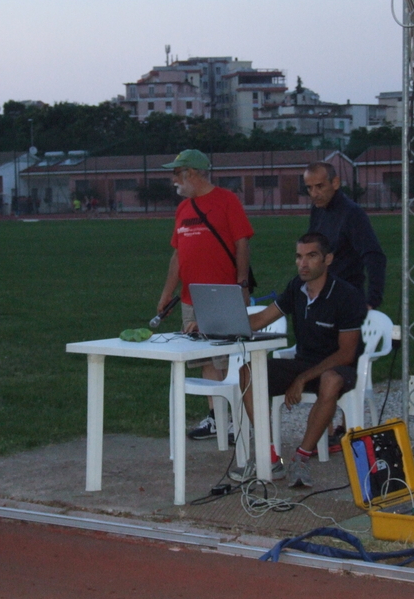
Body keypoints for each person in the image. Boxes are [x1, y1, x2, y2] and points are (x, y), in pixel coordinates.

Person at [233, 232, 367, 487]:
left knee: (329, 380)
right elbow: (261, 319)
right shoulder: (297, 287)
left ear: (328, 259)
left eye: (311, 256)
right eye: (298, 256)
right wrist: (214, 324)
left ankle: (301, 458)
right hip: (304, 363)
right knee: (248, 372)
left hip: (338, 368)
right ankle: (269, 456)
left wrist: (303, 378)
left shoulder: (347, 295)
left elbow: (346, 353)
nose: (302, 263)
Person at [157, 149, 254, 442]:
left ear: (193, 173)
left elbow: (242, 244)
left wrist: (241, 284)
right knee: (207, 361)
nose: (174, 179)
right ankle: (216, 419)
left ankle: (241, 419)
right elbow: (178, 254)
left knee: (230, 360)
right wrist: (166, 293)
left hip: (223, 295)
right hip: (191, 298)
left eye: (177, 173)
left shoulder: (227, 201)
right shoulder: (183, 208)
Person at [303, 161, 386, 450]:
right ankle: (326, 432)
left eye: (320, 186)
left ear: (335, 183)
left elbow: (374, 255)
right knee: (312, 358)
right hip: (322, 301)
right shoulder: (317, 211)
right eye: (310, 188)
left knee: (338, 365)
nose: (315, 193)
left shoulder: (352, 214)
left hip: (347, 301)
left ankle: (349, 427)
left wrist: (372, 300)